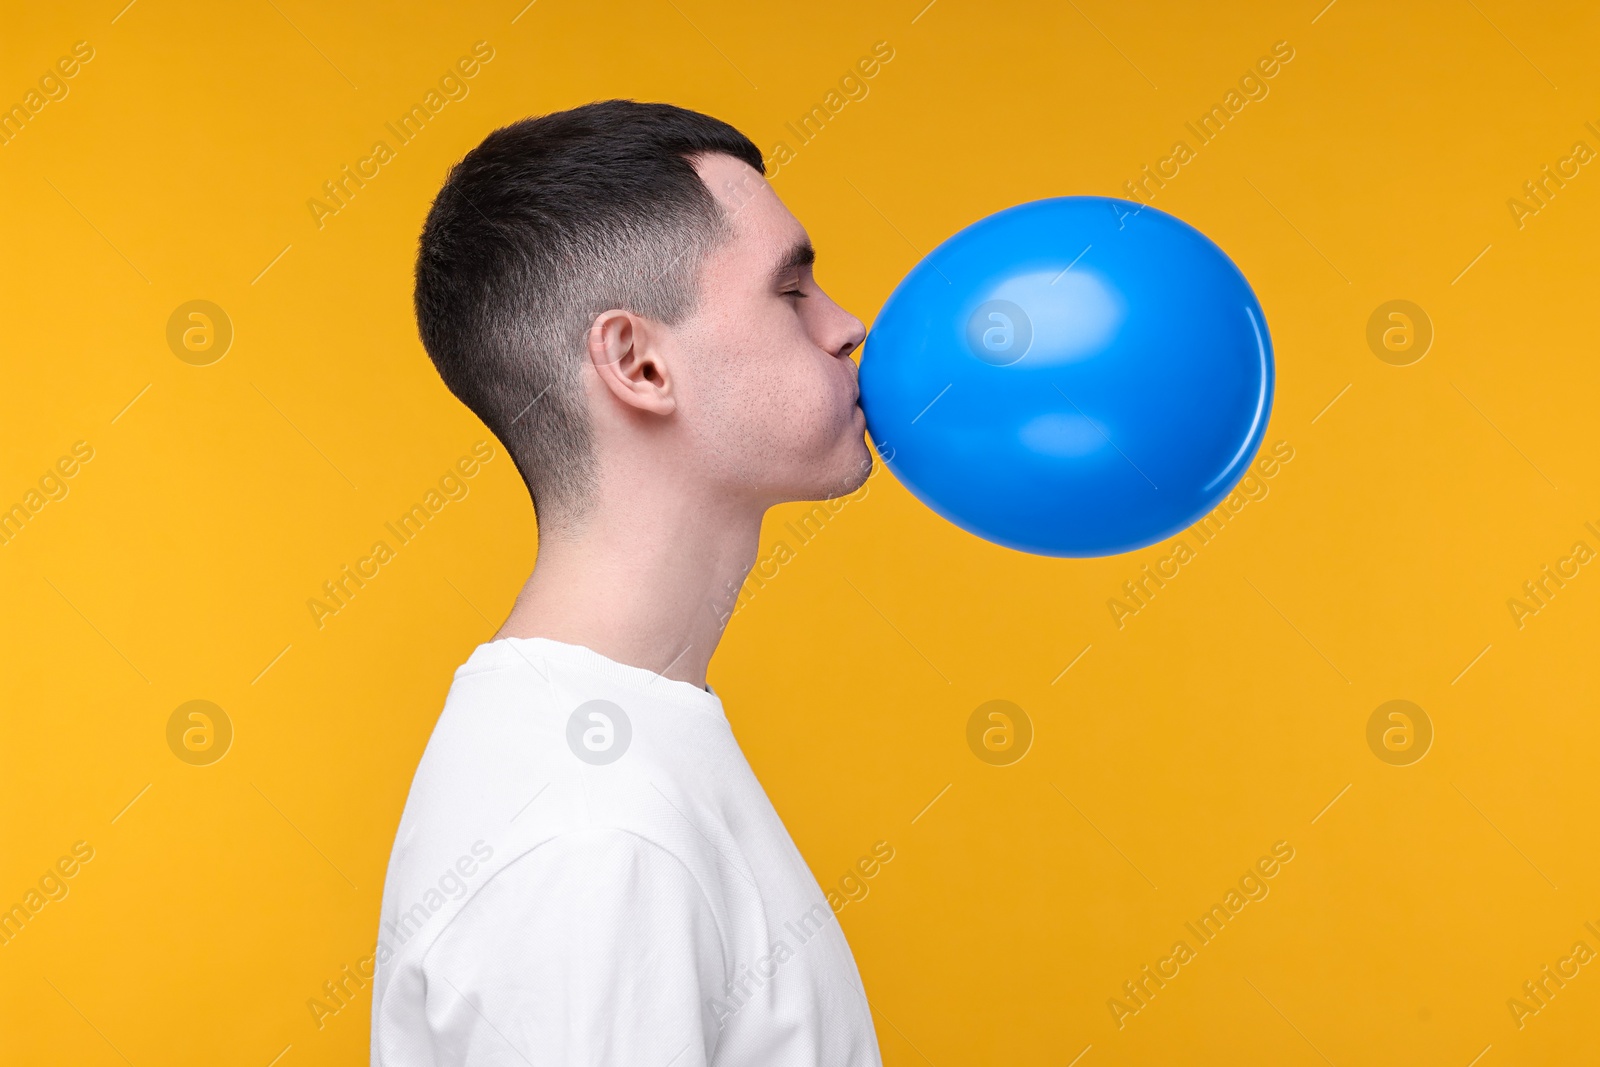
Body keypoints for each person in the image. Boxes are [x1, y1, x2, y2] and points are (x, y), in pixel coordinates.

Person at [371, 99, 882, 1066]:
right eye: (791, 290)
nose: (847, 323)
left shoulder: (616, 758)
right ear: (639, 363)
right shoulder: (592, 839)